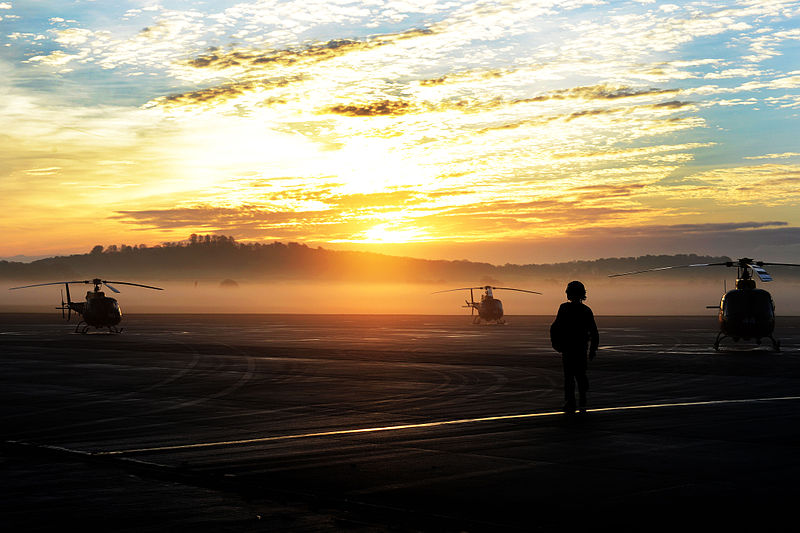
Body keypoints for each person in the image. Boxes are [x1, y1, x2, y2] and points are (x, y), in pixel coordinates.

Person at [550, 281, 599, 415]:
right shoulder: (586, 310)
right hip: (577, 348)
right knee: (575, 375)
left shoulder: (565, 308)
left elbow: (554, 327)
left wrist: (556, 343)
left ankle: (572, 400)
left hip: (571, 348)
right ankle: (577, 398)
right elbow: (594, 332)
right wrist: (593, 349)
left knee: (571, 376)